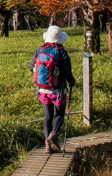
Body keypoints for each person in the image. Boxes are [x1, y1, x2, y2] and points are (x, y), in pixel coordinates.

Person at [29, 25, 76, 154]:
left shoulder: (40, 49)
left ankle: (47, 146)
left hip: (43, 89)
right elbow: (67, 73)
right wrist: (72, 82)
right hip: (58, 90)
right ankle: (53, 135)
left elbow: (31, 67)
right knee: (60, 114)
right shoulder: (62, 52)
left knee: (48, 116)